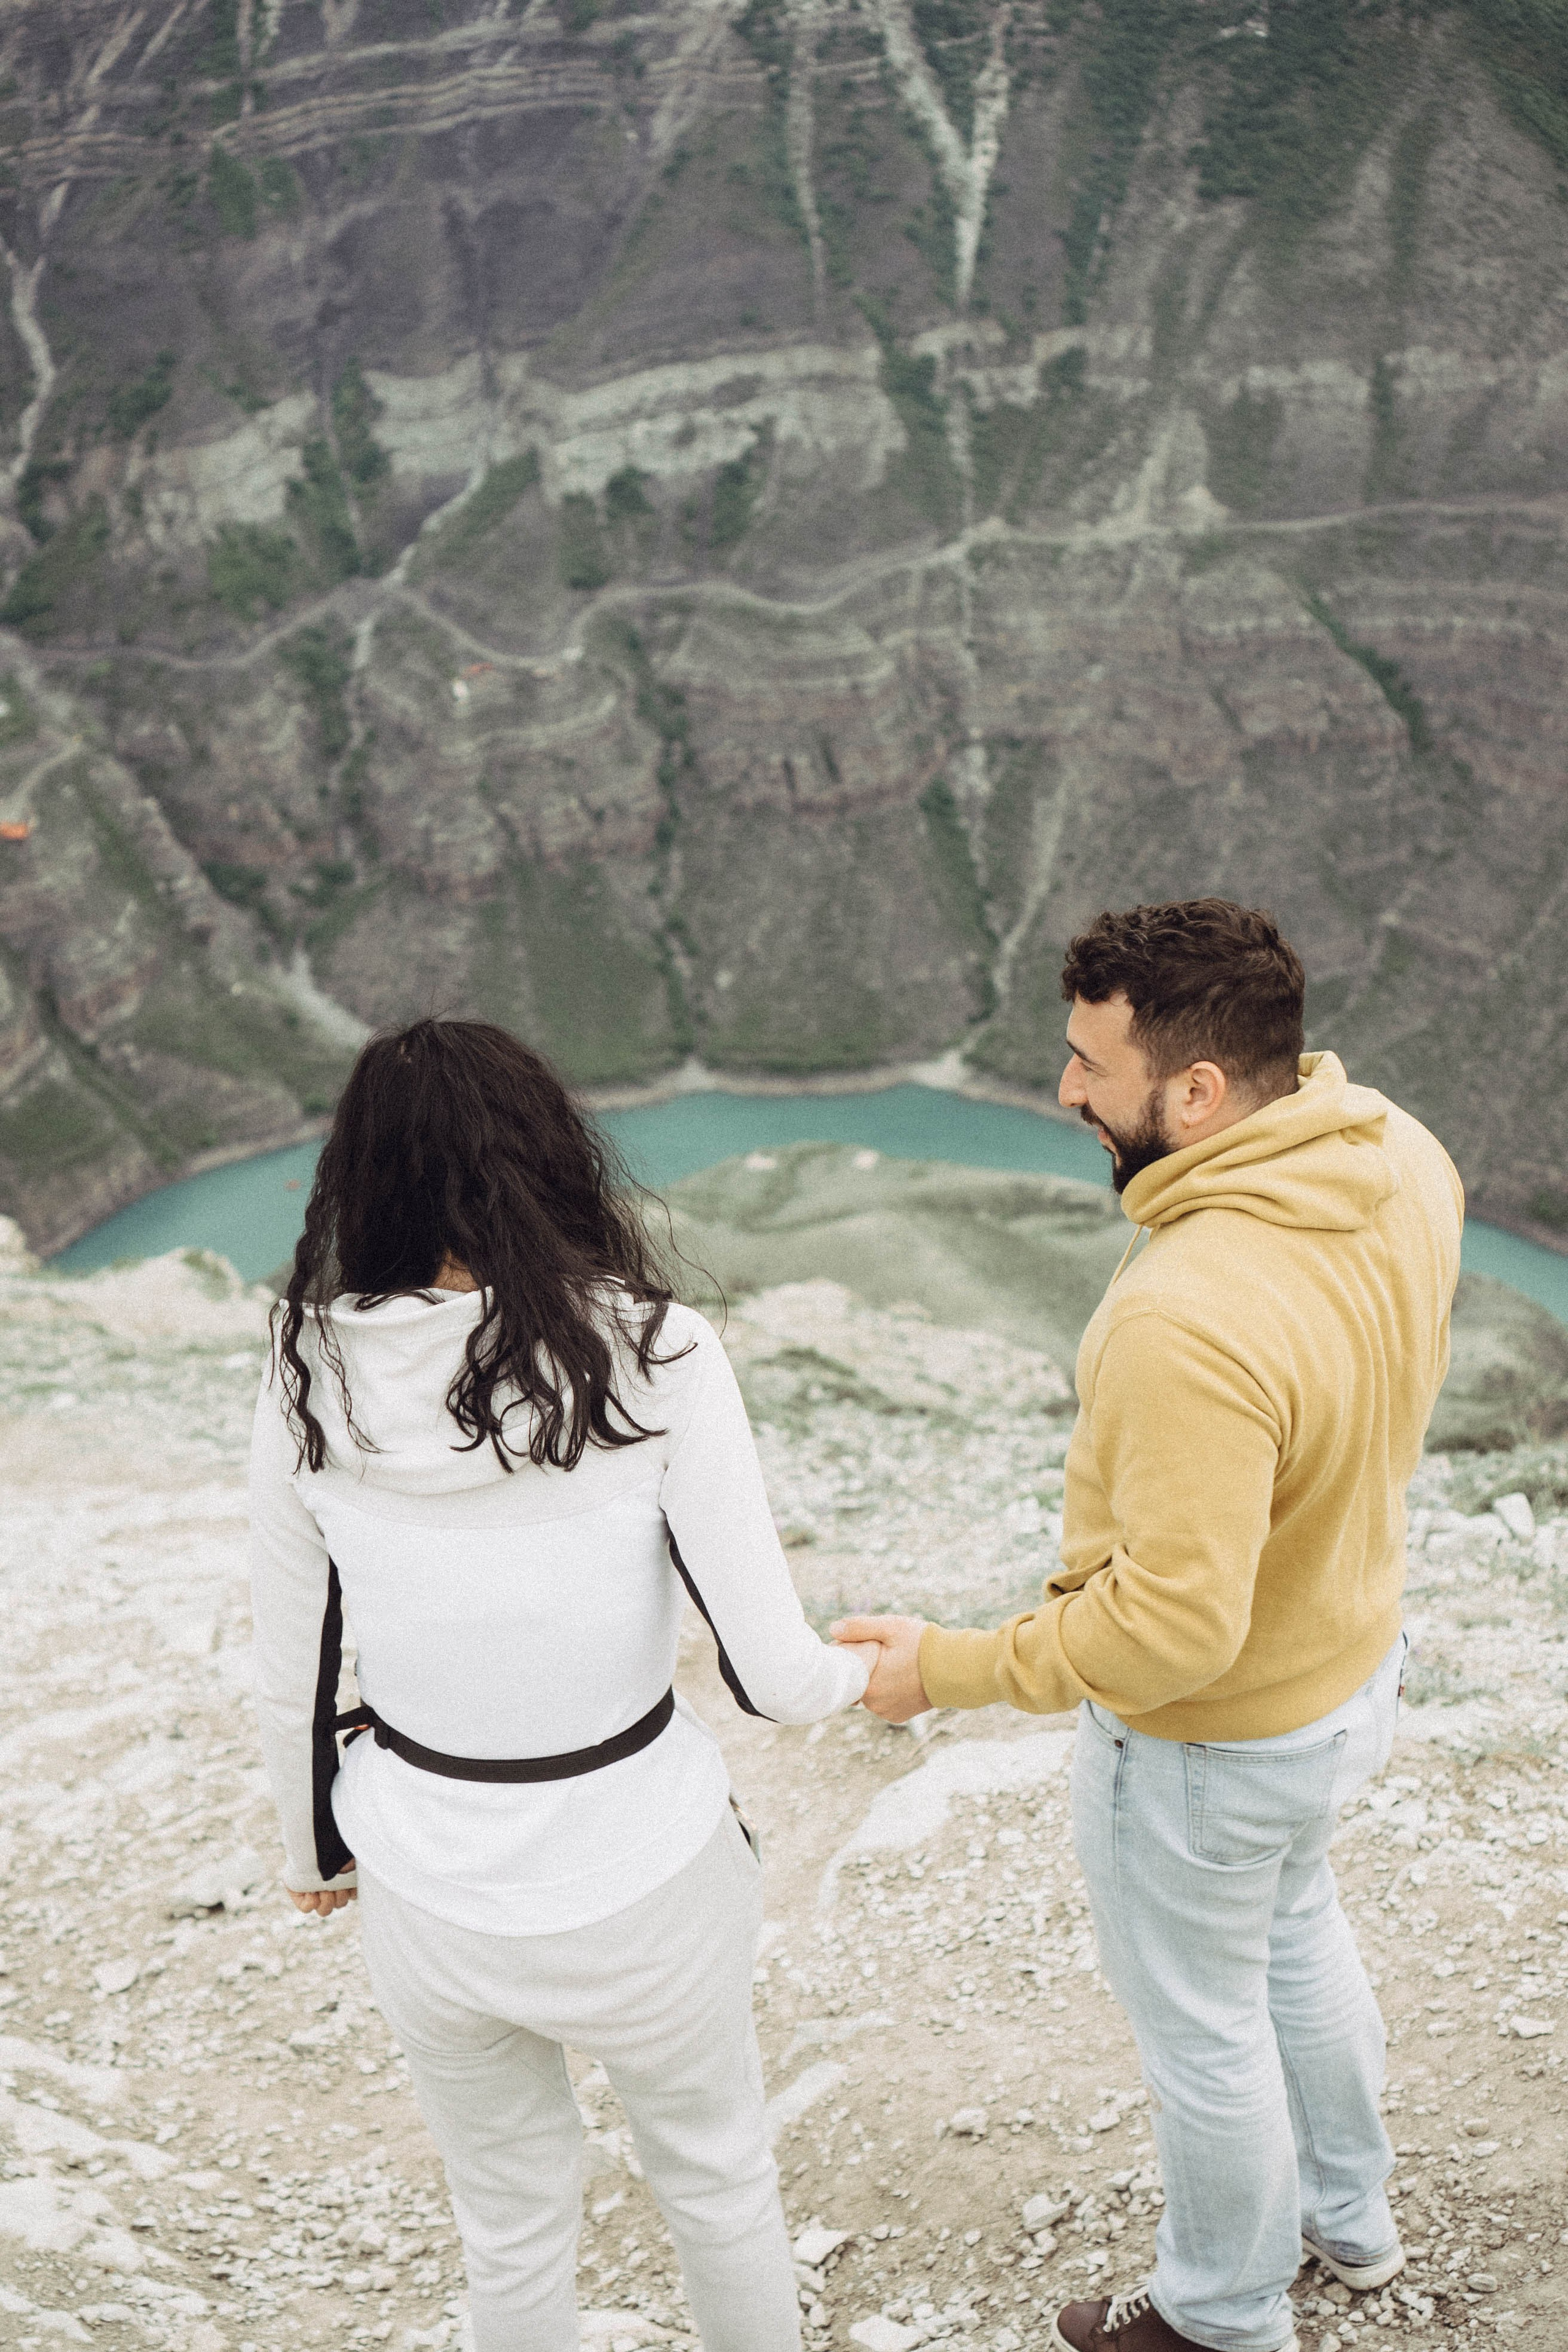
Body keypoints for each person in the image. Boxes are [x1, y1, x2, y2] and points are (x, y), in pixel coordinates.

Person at [834, 899, 1463, 2352]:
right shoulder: (1399, 1155)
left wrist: (950, 1670)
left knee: (1203, 2034)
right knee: (1295, 1935)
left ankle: (1222, 2314)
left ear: (1194, 1093)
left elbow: (1173, 1628)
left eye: (1085, 1064)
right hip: (1348, 1673)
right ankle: (1351, 2227)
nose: (1062, 1091)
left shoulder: (1182, 1312)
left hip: (1210, 1742)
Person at [249, 1017, 873, 2352]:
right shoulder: (655, 1351)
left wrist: (313, 1849)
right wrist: (873, 1676)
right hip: (644, 1872)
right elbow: (768, 1676)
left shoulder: (307, 1368)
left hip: (426, 1886)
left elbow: (292, 1659)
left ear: (365, 1185)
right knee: (717, 2187)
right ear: (547, 1161)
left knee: (512, 2227)